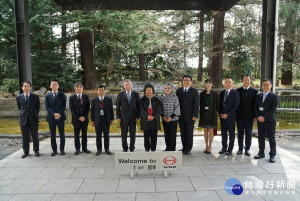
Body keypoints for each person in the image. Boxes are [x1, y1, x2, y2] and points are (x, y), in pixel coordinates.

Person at [254, 79, 278, 163]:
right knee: (260, 137)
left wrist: (264, 117)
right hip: (260, 120)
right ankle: (261, 153)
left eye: (267, 84)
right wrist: (258, 117)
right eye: (264, 84)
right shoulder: (258, 95)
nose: (265, 86)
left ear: (271, 86)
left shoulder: (274, 96)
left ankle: (272, 155)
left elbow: (273, 109)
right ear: (262, 86)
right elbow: (255, 107)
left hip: (270, 120)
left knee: (271, 138)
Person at [16, 81, 40, 158]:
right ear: (22, 87)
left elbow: (38, 108)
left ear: (30, 87)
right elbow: (20, 108)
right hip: (23, 119)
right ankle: (26, 152)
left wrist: (33, 115)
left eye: (28, 86)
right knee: (24, 136)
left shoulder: (35, 97)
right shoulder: (18, 97)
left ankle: (36, 150)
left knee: (35, 135)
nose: (26, 88)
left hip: (33, 119)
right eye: (25, 86)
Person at [176, 75, 199, 155]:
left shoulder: (194, 91)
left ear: (190, 82)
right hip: (180, 115)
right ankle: (184, 147)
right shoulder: (178, 91)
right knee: (182, 132)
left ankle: (188, 148)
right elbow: (176, 103)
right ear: (182, 82)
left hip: (190, 116)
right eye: (184, 80)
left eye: (188, 80)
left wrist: (195, 115)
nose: (186, 81)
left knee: (189, 132)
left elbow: (196, 104)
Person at [236, 75, 258, 156]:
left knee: (249, 133)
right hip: (239, 116)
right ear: (242, 81)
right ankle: (240, 148)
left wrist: (255, 116)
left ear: (250, 81)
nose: (246, 82)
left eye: (248, 80)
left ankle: (247, 149)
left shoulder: (255, 92)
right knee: (240, 133)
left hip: (250, 117)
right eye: (245, 80)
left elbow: (256, 105)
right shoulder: (237, 91)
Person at [116, 79, 140, 152]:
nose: (128, 86)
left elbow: (138, 106)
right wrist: (118, 117)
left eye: (129, 85)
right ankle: (125, 148)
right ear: (124, 86)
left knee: (133, 134)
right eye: (126, 85)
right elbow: (118, 107)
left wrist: (137, 116)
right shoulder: (120, 94)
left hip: (133, 118)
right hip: (123, 118)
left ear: (131, 86)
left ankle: (132, 147)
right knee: (124, 134)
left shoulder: (136, 94)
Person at [219, 77, 240, 155]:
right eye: (226, 82)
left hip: (231, 117)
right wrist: (221, 113)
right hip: (222, 117)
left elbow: (236, 106)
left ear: (232, 83)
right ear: (224, 84)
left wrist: (227, 114)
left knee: (231, 133)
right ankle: (224, 148)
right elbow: (219, 105)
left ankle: (230, 149)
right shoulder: (221, 93)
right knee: (223, 133)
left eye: (229, 82)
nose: (227, 83)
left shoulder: (235, 93)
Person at [45, 79, 66, 156]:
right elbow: (47, 107)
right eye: (52, 84)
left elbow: (64, 106)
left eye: (55, 84)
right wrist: (54, 114)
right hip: (51, 117)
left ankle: (62, 150)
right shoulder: (47, 96)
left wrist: (59, 114)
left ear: (58, 86)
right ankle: (54, 150)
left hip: (61, 117)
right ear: (50, 86)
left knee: (62, 134)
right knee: (52, 134)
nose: (54, 85)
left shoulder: (62, 95)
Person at [91, 84, 114, 156]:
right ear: (97, 91)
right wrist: (92, 120)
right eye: (99, 90)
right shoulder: (94, 100)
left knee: (106, 135)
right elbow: (92, 111)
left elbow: (111, 110)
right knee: (98, 135)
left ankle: (107, 149)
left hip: (106, 120)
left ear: (104, 91)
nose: (101, 91)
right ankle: (99, 150)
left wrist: (112, 119)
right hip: (97, 120)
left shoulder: (108, 99)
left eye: (102, 90)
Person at [69, 82, 91, 155]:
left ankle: (85, 148)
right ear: (75, 89)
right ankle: (77, 149)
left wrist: (84, 116)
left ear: (82, 88)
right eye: (77, 87)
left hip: (84, 119)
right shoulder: (71, 98)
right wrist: (78, 117)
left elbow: (88, 108)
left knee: (84, 134)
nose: (79, 88)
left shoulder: (86, 97)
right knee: (76, 134)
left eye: (80, 87)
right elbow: (72, 109)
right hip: (76, 119)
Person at [199, 79, 219, 154]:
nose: (208, 84)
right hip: (204, 114)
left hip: (212, 114)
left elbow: (217, 105)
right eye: (207, 83)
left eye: (209, 83)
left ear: (212, 84)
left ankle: (210, 146)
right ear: (205, 84)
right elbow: (200, 104)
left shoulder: (215, 94)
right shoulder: (202, 94)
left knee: (210, 130)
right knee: (205, 130)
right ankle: (206, 145)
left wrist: (219, 114)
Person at [140, 83, 162, 152]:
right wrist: (147, 116)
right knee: (146, 137)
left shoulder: (157, 100)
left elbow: (159, 109)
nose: (148, 92)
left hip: (154, 121)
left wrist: (153, 116)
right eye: (147, 90)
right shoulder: (142, 100)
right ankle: (147, 149)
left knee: (154, 136)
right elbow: (141, 109)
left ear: (152, 91)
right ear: (145, 91)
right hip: (145, 120)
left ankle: (153, 149)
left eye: (150, 90)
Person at [160, 84, 180, 151]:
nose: (167, 89)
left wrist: (171, 117)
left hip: (173, 119)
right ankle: (167, 148)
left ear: (171, 89)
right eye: (166, 88)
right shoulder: (162, 97)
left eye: (168, 88)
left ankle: (172, 149)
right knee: (166, 134)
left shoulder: (175, 97)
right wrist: (163, 116)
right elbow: (160, 108)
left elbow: (177, 108)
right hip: (165, 119)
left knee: (173, 135)